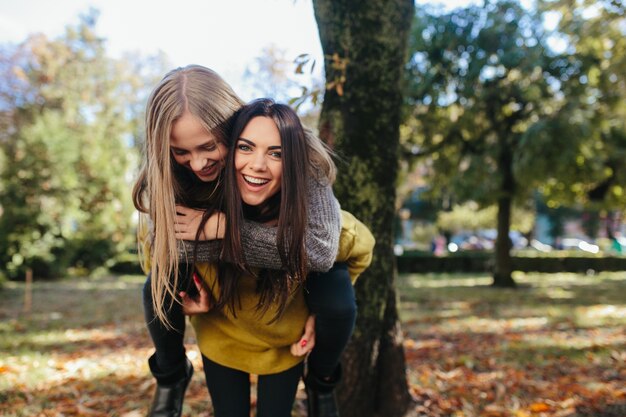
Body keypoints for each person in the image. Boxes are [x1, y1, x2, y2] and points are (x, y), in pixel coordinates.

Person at [132, 66, 357, 417]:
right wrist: (193, 281)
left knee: (335, 290)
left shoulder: (293, 151)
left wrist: (223, 229)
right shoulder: (170, 172)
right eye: (181, 151)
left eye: (209, 146)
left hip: (292, 289)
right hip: (226, 313)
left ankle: (322, 383)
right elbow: (168, 246)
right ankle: (171, 375)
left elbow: (321, 250)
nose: (198, 163)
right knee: (156, 286)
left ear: (232, 124)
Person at [180, 98, 374, 417]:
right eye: (245, 147)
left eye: (276, 153)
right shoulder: (205, 198)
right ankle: (169, 378)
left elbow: (352, 249)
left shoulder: (314, 222)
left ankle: (321, 384)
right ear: (228, 153)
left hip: (284, 341)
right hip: (222, 333)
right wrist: (181, 298)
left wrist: (229, 232)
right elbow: (161, 247)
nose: (258, 164)